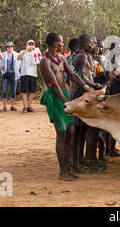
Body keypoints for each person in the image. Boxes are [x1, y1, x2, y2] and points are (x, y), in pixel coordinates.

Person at [39, 32, 90, 181]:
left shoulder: (61, 59)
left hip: (65, 96)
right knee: (62, 134)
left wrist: (86, 86)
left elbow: (73, 75)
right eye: (61, 43)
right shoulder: (45, 61)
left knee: (71, 131)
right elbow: (53, 84)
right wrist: (64, 102)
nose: (63, 45)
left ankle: (67, 167)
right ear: (54, 44)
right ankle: (62, 172)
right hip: (56, 98)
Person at [71, 34, 105, 173]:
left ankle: (81, 159)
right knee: (90, 129)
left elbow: (85, 76)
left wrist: (94, 84)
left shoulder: (86, 56)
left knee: (83, 130)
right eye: (92, 43)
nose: (94, 45)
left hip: (85, 93)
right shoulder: (81, 57)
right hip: (82, 95)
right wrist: (95, 85)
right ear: (86, 44)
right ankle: (89, 162)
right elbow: (79, 77)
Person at [17, 40, 42, 113]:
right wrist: (26, 50)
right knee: (24, 91)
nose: (31, 45)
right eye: (29, 44)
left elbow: (40, 59)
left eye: (32, 44)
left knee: (32, 91)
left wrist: (34, 50)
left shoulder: (36, 52)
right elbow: (18, 58)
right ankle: (24, 107)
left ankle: (29, 106)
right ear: (26, 44)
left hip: (33, 74)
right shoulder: (23, 51)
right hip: (24, 73)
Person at [0, 42, 20, 111]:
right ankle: (4, 106)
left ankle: (12, 106)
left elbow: (19, 62)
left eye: (11, 47)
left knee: (13, 90)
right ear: (6, 48)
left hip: (14, 74)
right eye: (8, 47)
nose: (10, 48)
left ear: (13, 47)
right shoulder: (3, 54)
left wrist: (18, 68)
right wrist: (0, 67)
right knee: (4, 90)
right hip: (5, 74)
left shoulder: (16, 54)